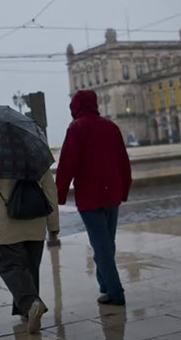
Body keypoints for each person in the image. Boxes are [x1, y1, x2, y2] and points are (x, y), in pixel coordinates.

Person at [55, 90, 132, 306]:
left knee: (101, 245)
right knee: (107, 243)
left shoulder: (77, 128)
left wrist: (59, 194)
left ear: (76, 106)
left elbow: (66, 165)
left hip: (90, 196)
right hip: (112, 194)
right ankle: (105, 284)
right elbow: (123, 162)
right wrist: (124, 189)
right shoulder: (111, 127)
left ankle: (115, 292)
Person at [0, 167, 59, 334]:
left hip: (7, 223)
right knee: (30, 269)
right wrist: (53, 225)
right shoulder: (35, 154)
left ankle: (32, 304)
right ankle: (27, 311)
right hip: (36, 219)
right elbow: (50, 189)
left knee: (9, 266)